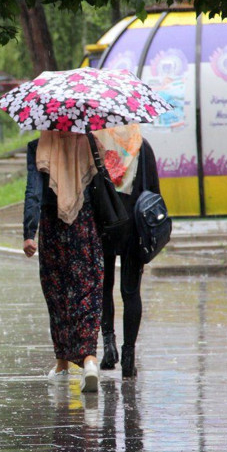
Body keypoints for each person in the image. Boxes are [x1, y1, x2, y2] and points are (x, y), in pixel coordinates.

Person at [23, 131, 103, 393]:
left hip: (52, 228)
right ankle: (89, 360)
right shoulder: (90, 143)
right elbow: (104, 183)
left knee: (57, 295)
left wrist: (29, 233)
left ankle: (62, 365)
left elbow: (33, 191)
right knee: (87, 291)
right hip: (85, 225)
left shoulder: (38, 147)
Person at [94, 126, 161, 378]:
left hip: (104, 225)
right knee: (130, 292)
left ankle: (109, 347)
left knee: (104, 288)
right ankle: (129, 357)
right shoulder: (143, 147)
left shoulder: (96, 145)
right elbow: (153, 193)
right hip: (134, 228)